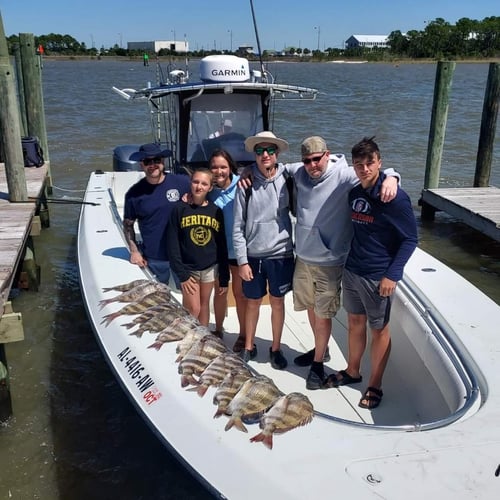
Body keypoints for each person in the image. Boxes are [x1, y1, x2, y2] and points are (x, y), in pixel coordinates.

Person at [288, 136, 401, 390]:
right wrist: (248, 174)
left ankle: (317, 364)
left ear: (327, 155)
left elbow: (377, 171)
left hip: (329, 261)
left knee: (323, 313)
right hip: (303, 257)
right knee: (310, 307)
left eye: (317, 159)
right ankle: (322, 349)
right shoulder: (299, 172)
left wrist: (393, 178)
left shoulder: (345, 175)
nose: (312, 165)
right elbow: (279, 167)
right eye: (307, 160)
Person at [325, 137, 418, 409]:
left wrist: (393, 275)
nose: (364, 168)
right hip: (353, 269)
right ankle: (353, 370)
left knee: (379, 330)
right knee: (354, 322)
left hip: (378, 276)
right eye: (359, 164)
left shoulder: (394, 197)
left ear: (380, 162)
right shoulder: (355, 193)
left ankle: (375, 383)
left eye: (370, 163)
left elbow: (410, 240)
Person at [232, 131, 293, 370]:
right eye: (259, 151)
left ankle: (275, 348)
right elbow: (237, 226)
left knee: (277, 303)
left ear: (277, 153)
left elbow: (330, 163)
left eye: (269, 150)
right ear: (254, 155)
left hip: (281, 254)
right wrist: (242, 261)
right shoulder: (245, 182)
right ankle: (249, 345)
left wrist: (392, 175)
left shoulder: (289, 175)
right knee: (253, 302)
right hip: (253, 255)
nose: (265, 154)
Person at [166, 167, 230, 326]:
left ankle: (202, 338)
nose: (199, 186)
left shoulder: (216, 211)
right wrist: (182, 274)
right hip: (189, 270)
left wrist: (224, 275)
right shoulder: (180, 209)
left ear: (210, 187)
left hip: (209, 268)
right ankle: (184, 336)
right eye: (195, 182)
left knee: (203, 306)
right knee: (193, 308)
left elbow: (221, 244)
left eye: (204, 183)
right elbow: (172, 244)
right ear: (190, 183)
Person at [123, 143, 190, 286]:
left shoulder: (183, 182)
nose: (153, 165)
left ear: (163, 161)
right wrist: (134, 251)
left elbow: (207, 188)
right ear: (142, 165)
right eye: (147, 161)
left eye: (157, 160)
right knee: (159, 297)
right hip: (155, 258)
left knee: (189, 295)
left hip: (183, 254)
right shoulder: (133, 194)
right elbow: (128, 225)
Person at [207, 149, 247, 349]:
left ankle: (243, 333)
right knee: (220, 291)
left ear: (230, 167)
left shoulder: (243, 184)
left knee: (240, 294)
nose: (219, 171)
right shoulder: (209, 190)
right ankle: (219, 328)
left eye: (223, 167)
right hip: (217, 251)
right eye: (214, 167)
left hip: (238, 250)